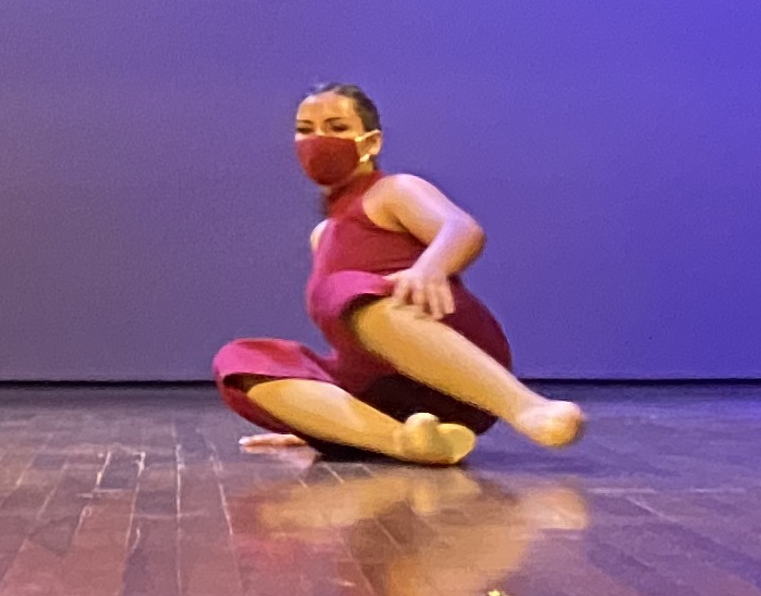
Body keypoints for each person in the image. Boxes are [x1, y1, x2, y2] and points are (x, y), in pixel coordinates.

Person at [214, 82, 586, 466]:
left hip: (454, 359)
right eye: (305, 129)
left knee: (343, 286)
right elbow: (351, 332)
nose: (318, 139)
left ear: (371, 142)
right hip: (390, 396)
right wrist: (317, 412)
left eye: (337, 127)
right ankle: (401, 441)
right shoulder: (322, 235)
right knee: (242, 361)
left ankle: (527, 407)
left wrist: (430, 268)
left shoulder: (392, 191)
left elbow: (461, 228)